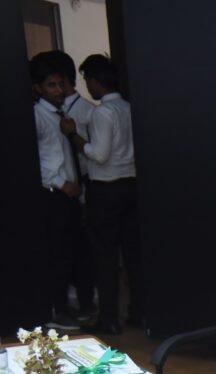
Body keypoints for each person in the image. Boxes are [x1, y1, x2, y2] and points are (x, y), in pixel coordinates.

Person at [61, 54, 140, 335]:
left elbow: (99, 154)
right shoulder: (128, 107)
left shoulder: (102, 113)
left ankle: (108, 318)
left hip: (105, 189)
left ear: (94, 81)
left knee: (105, 256)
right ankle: (138, 312)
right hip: (130, 185)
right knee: (132, 254)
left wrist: (74, 135)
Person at [30, 51, 80, 331]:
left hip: (67, 195)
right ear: (38, 87)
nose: (59, 90)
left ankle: (62, 306)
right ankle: (54, 310)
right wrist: (61, 183)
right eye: (52, 85)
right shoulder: (37, 116)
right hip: (52, 194)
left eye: (61, 84)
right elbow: (35, 160)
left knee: (67, 253)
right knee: (56, 255)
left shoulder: (59, 115)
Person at [50, 50, 97, 322]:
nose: (56, 90)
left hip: (86, 183)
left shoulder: (88, 112)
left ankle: (86, 299)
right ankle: (67, 302)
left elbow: (95, 154)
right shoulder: (47, 113)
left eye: (59, 83)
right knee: (66, 249)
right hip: (65, 187)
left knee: (83, 247)